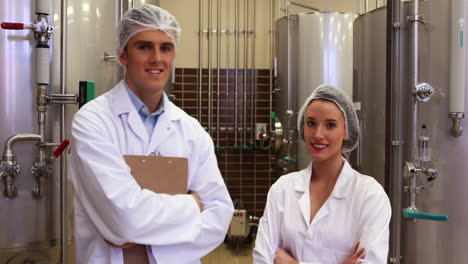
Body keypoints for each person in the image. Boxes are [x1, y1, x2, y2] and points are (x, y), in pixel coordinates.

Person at [69, 4, 234, 264]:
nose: (156, 58)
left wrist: (142, 232)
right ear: (123, 55)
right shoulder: (93, 122)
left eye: (165, 48)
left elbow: (220, 216)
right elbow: (125, 219)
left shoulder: (191, 130)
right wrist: (193, 206)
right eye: (144, 46)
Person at [253, 84, 391, 264]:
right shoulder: (282, 189)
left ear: (346, 132)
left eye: (330, 125)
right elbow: (262, 259)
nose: (318, 134)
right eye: (311, 123)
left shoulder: (370, 195)